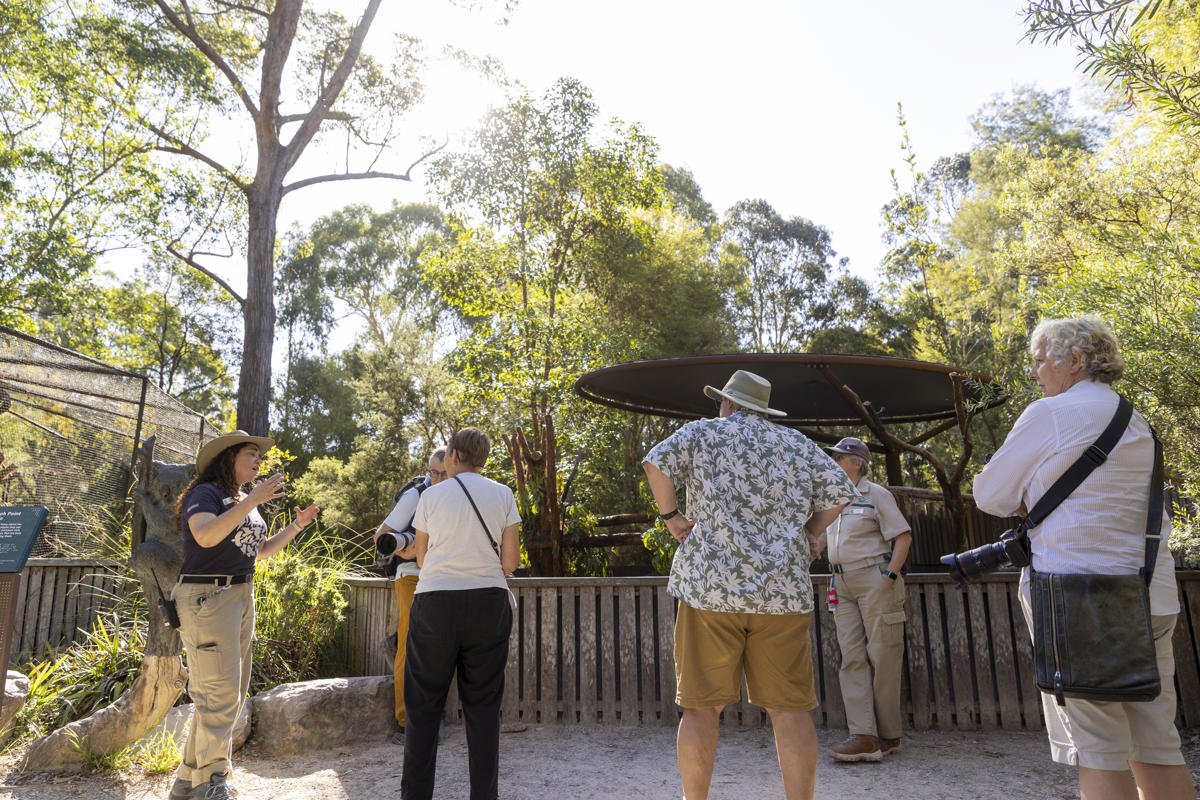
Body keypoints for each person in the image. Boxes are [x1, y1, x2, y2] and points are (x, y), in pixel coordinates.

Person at [973, 315, 1194, 800]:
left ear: (1074, 361)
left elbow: (990, 494)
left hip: (1077, 602)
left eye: (1038, 361)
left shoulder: (1049, 414)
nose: (1034, 374)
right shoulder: (1134, 418)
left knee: (1098, 750)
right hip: (1148, 597)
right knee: (1156, 743)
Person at [642, 369, 858, 800]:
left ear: (728, 403)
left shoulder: (705, 433)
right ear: (762, 409)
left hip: (710, 590)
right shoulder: (795, 443)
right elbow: (841, 489)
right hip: (782, 594)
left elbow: (654, 463)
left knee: (701, 709)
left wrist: (672, 519)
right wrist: (812, 533)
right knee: (790, 711)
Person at [169, 431, 319, 800]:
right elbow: (204, 535)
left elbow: (260, 551)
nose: (258, 461)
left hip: (239, 594)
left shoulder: (242, 501)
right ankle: (212, 782)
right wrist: (253, 498)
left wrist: (296, 526)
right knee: (217, 695)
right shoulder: (205, 493)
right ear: (228, 458)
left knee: (228, 695)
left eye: (259, 456)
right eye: (251, 454)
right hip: (207, 597)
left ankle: (188, 782)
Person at [401, 427, 520, 800]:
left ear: (452, 455)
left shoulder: (432, 496)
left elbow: (421, 557)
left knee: (422, 708)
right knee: (483, 710)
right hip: (488, 602)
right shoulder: (503, 494)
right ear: (483, 458)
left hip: (436, 602)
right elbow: (511, 561)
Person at [820, 437, 911, 763]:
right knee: (852, 657)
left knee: (883, 656)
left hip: (874, 578)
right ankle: (864, 736)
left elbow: (902, 535)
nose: (833, 459)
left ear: (857, 462)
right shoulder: (832, 497)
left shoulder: (877, 494)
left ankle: (888, 736)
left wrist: (888, 577)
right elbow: (817, 539)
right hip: (840, 583)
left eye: (839, 456)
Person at [373, 447, 448, 744]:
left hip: (443, 579)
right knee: (410, 646)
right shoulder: (416, 495)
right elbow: (381, 536)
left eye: (444, 472)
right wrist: (407, 548)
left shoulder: (453, 495)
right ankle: (406, 722)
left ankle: (429, 716)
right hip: (413, 579)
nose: (439, 478)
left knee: (437, 650)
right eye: (434, 472)